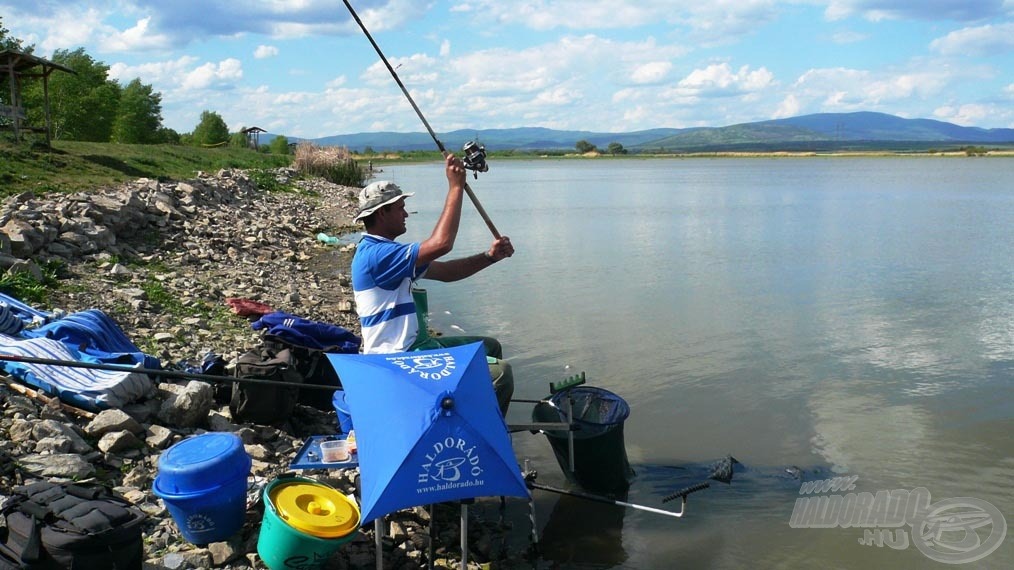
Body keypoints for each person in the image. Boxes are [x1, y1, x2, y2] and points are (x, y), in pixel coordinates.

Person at [350, 154, 515, 414]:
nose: (406, 213)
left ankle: (468, 410)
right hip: (399, 358)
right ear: (382, 213)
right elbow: (441, 244)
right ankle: (471, 429)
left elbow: (446, 272)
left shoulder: (388, 253)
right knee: (500, 374)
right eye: (400, 207)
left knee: (490, 346)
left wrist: (490, 257)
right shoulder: (376, 256)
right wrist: (455, 187)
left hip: (418, 346)